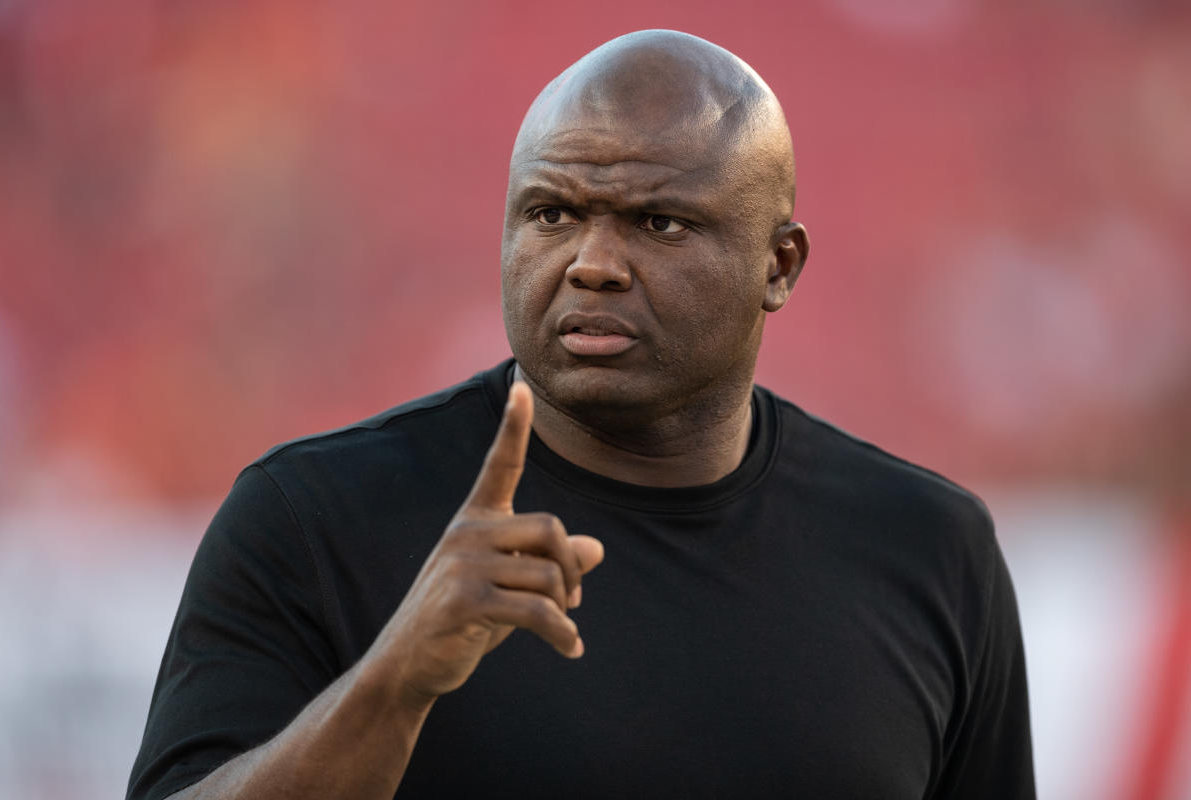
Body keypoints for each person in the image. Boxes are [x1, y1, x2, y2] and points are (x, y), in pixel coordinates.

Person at [128, 29, 1034, 800]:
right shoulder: (311, 518)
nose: (592, 263)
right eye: (553, 213)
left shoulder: (930, 549)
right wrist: (395, 679)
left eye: (660, 224)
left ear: (780, 265)